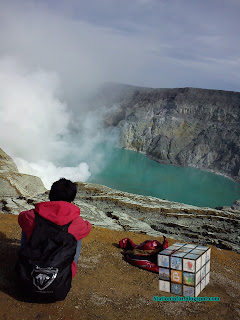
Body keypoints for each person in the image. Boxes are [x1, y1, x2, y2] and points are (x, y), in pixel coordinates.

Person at [18, 177, 91, 277]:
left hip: (29, 274)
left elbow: (21, 217)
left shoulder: (31, 216)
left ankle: (24, 257)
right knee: (77, 235)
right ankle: (68, 266)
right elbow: (87, 228)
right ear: (72, 200)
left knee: (27, 225)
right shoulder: (77, 222)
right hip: (60, 278)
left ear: (50, 196)